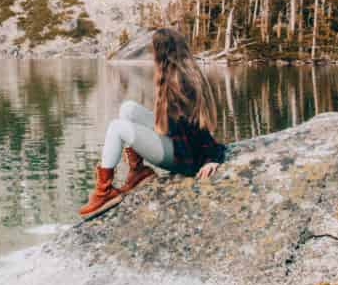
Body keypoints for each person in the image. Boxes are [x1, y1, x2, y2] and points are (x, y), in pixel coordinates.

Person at [79, 27, 227, 218]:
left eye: (154, 50)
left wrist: (211, 158)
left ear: (162, 52)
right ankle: (137, 171)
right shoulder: (178, 74)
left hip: (183, 157)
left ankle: (103, 192)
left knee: (117, 128)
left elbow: (198, 127)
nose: (152, 55)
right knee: (128, 108)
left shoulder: (180, 83)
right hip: (176, 142)